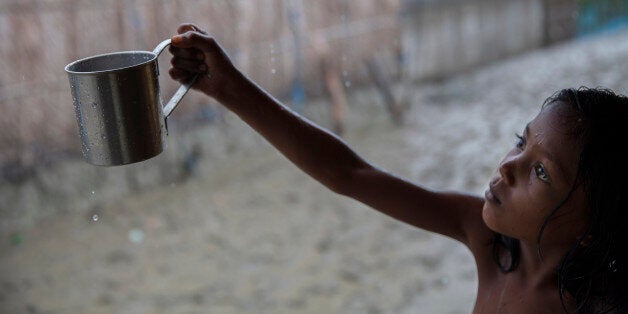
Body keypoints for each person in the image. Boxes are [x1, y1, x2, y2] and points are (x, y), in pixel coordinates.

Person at [168, 23, 628, 313]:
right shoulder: (489, 241)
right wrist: (227, 88)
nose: (507, 167)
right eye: (520, 143)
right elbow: (350, 175)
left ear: (592, 228)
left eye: (541, 173)